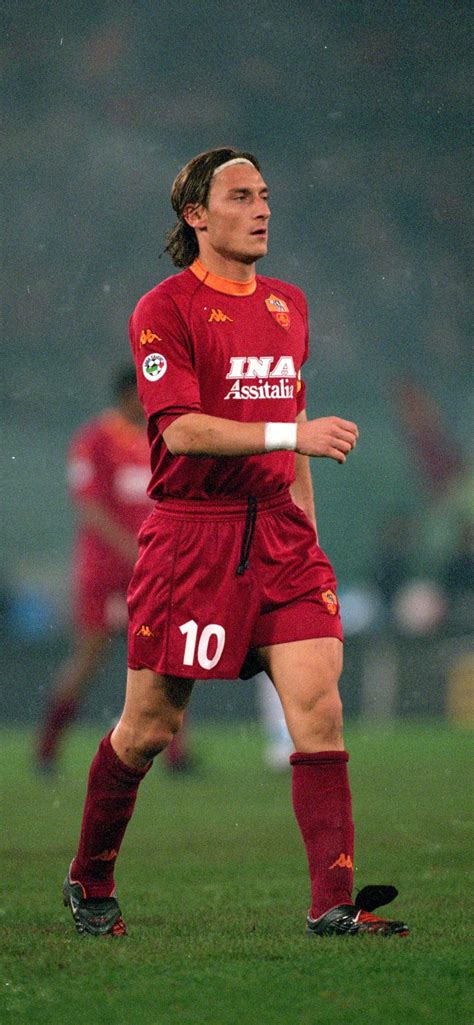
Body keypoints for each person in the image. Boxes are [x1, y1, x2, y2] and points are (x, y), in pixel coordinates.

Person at [63, 147, 409, 938]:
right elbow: (181, 431)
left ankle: (333, 902)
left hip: (281, 537)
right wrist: (291, 434)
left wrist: (307, 534)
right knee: (149, 728)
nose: (262, 210)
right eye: (242, 196)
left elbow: (296, 422)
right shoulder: (165, 309)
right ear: (196, 214)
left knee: (319, 709)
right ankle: (90, 876)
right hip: (193, 538)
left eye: (265, 195)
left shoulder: (289, 304)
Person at [36, 366, 190, 773]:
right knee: (89, 657)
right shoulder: (93, 440)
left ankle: (177, 755)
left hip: (152, 568)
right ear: (126, 396)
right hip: (105, 572)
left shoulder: (160, 437)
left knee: (169, 656)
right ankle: (47, 748)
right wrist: (131, 549)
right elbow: (87, 506)